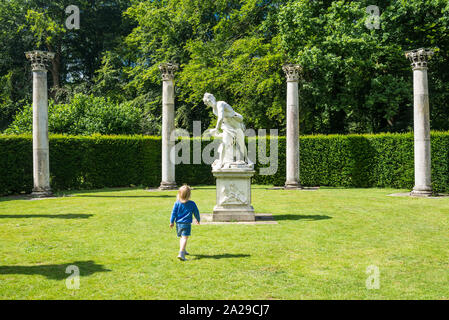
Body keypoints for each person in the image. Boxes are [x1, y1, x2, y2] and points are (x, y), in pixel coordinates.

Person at [203, 93, 252, 169]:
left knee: (241, 144)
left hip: (237, 126)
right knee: (224, 144)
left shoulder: (220, 104)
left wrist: (216, 129)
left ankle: (248, 160)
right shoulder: (214, 110)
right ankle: (221, 162)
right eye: (206, 103)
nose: (207, 104)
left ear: (211, 100)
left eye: (207, 102)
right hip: (227, 127)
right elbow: (223, 120)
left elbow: (221, 117)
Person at [169, 185, 200, 261]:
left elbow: (173, 213)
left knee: (182, 237)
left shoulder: (177, 203)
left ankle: (184, 250)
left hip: (178, 224)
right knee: (184, 237)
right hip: (186, 224)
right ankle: (181, 253)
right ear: (189, 194)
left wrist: (171, 222)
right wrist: (198, 219)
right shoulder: (192, 203)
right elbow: (196, 212)